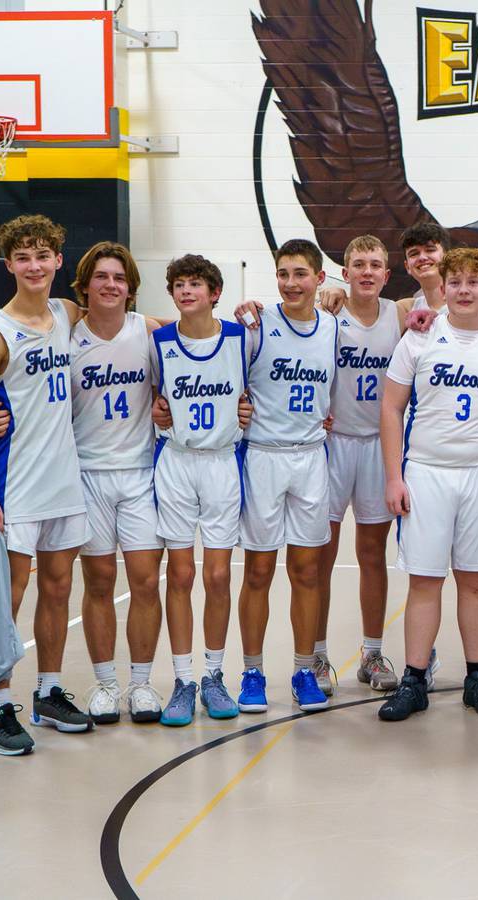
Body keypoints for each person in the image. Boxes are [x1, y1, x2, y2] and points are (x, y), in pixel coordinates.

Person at [0, 214, 93, 755]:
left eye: (44, 256)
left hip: (64, 480)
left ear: (59, 261)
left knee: (59, 590)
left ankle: (48, 690)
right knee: (5, 599)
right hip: (15, 487)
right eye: (23, 257)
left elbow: (130, 320)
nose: (35, 266)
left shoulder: (66, 313)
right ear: (9, 264)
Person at [376, 248, 478, 721]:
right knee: (425, 579)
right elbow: (391, 407)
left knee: (477, 581)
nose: (463, 290)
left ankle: (476, 675)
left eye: (473, 282)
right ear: (445, 286)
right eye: (454, 281)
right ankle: (414, 678)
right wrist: (394, 476)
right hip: (427, 472)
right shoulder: (420, 335)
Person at [66, 243, 168, 724]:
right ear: (85, 284)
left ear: (130, 288)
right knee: (100, 580)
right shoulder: (66, 335)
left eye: (119, 278)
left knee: (146, 580)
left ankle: (142, 685)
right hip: (87, 474)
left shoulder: (146, 331)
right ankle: (106, 684)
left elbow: (203, 345)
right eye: (101, 277)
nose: (110, 284)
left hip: (140, 475)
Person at [237, 239, 339, 712]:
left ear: (320, 279)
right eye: (283, 273)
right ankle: (253, 672)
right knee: (258, 570)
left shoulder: (333, 328)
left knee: (307, 570)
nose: (291, 283)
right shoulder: (255, 326)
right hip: (264, 455)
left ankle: (304, 668)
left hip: (312, 458)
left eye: (301, 274)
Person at [149, 255, 248, 726]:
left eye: (196, 284)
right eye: (179, 284)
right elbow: (149, 395)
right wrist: (156, 409)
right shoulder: (159, 341)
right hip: (176, 462)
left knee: (218, 576)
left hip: (222, 463)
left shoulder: (240, 338)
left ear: (215, 292)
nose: (186, 291)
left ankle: (214, 675)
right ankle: (184, 679)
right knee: (182, 574)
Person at [319, 235, 403, 693]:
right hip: (332, 444)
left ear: (386, 275)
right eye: (358, 264)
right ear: (344, 272)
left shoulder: (400, 314)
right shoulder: (327, 315)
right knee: (321, 557)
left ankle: (372, 653)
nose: (367, 271)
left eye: (375, 264)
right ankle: (316, 655)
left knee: (372, 555)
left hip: (377, 444)